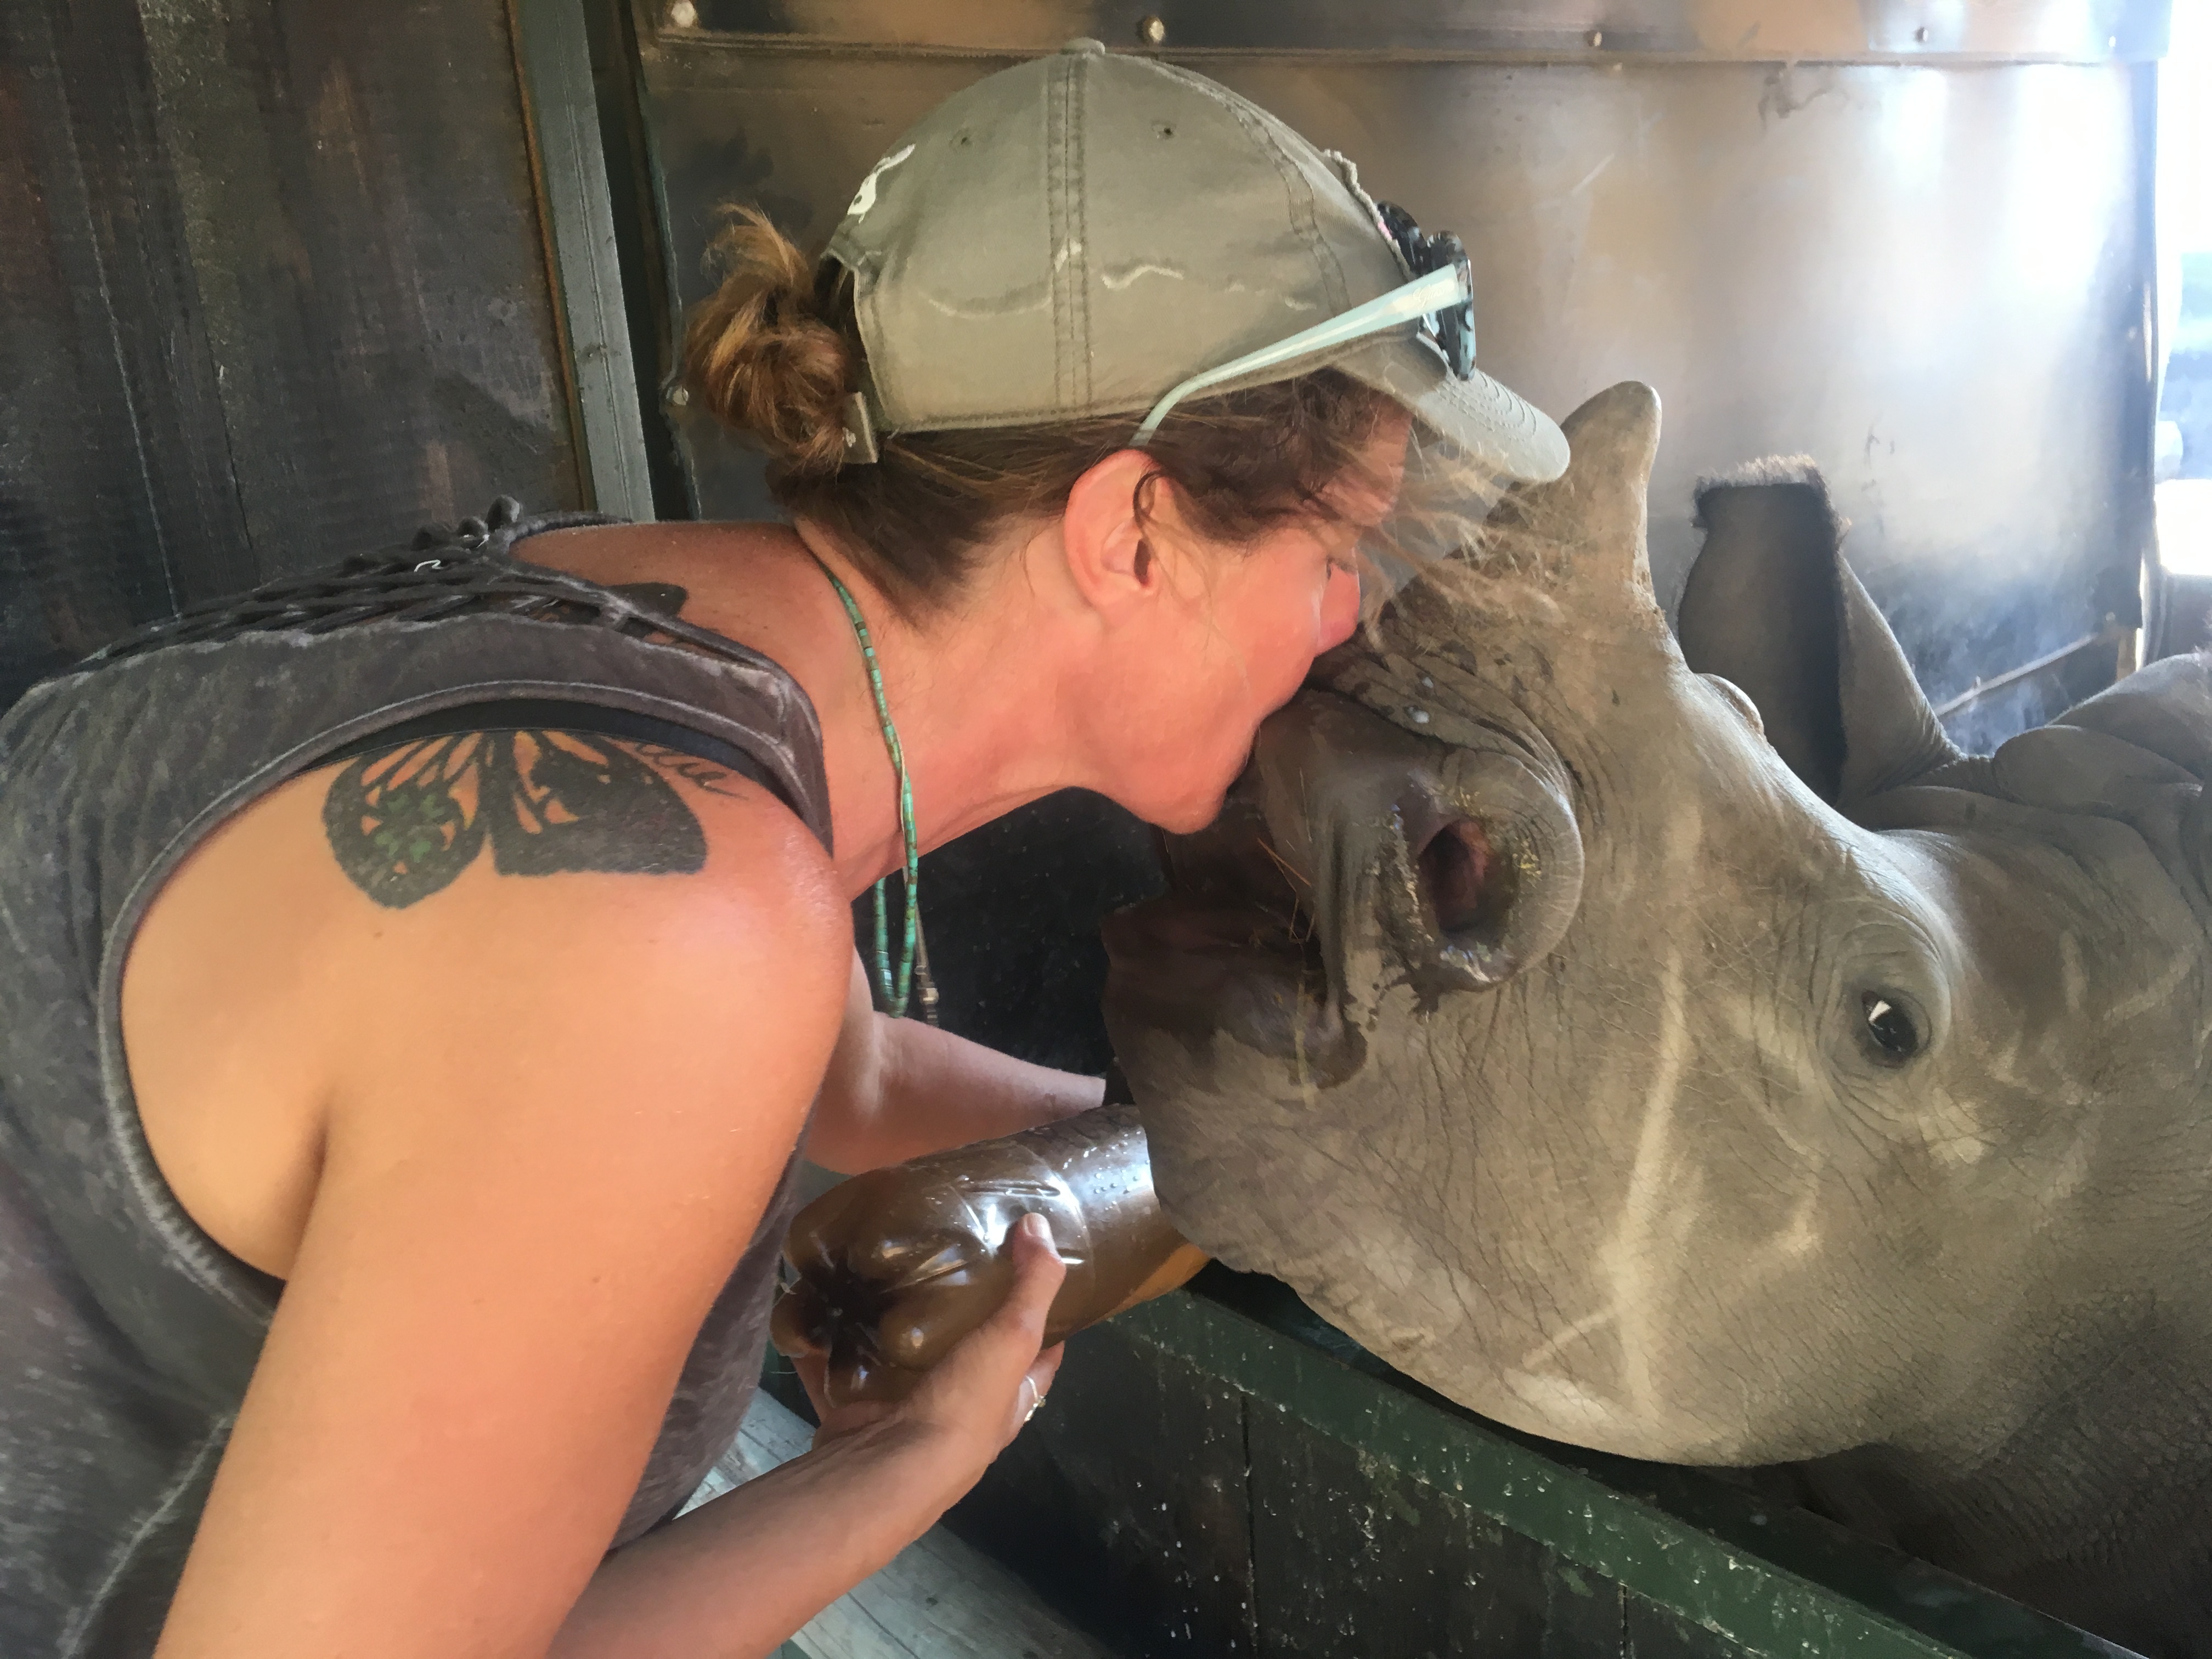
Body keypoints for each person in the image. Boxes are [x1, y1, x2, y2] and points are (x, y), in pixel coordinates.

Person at [0, 39, 1564, 1659]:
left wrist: (1265, 1156)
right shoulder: (651, 927)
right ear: (1133, 535)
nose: (1343, 619)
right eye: (1332, 548)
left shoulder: (615, 614)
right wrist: (898, 1469)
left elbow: (855, 1077)